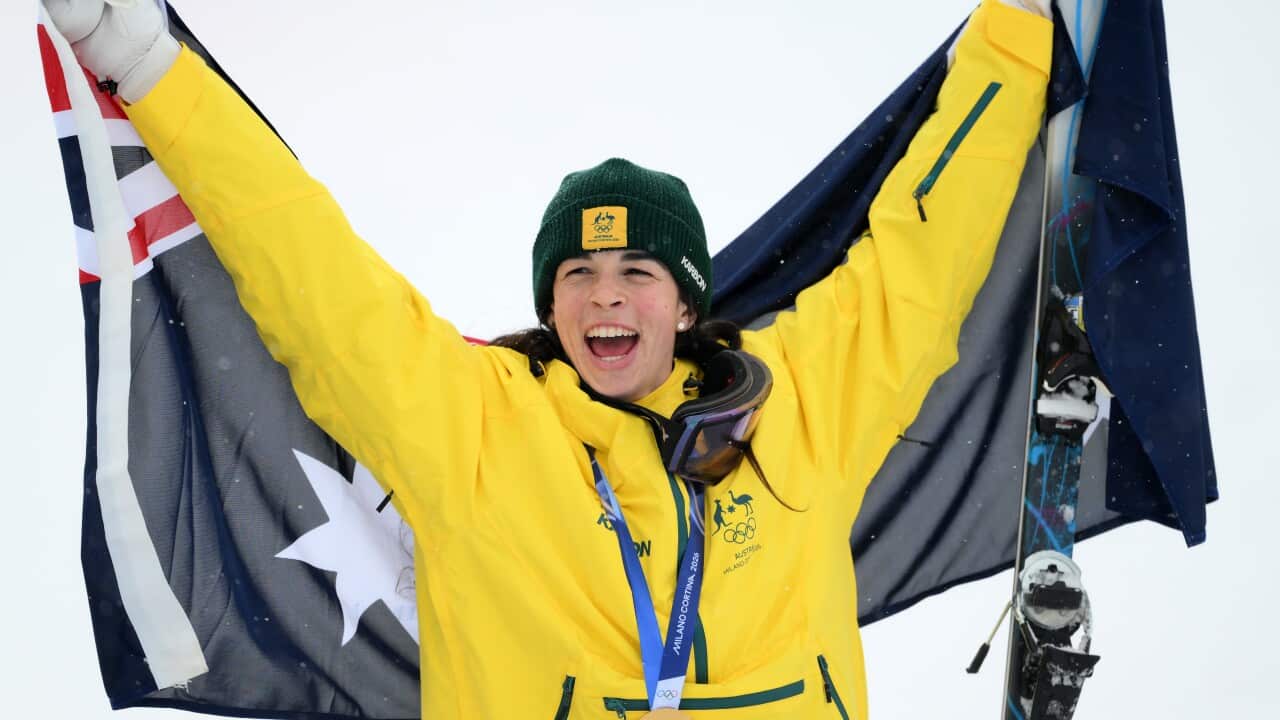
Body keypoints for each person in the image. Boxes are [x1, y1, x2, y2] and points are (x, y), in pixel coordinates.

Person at [43, 0, 1052, 717]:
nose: (604, 295)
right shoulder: (472, 428)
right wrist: (151, 69)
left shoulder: (803, 404)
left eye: (634, 271)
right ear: (547, 304)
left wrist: (1013, 32)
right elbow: (310, 271)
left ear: (687, 300)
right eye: (575, 273)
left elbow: (920, 252)